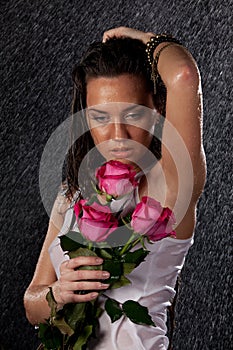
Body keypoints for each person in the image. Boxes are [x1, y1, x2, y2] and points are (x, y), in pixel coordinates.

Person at [24, 27, 206, 349]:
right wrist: (58, 293)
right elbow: (32, 304)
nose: (118, 135)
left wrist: (142, 39)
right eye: (100, 117)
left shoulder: (169, 187)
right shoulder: (72, 194)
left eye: (134, 114)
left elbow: (183, 75)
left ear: (157, 111)